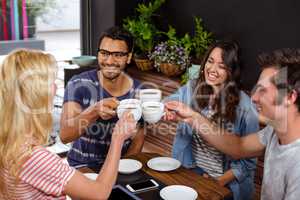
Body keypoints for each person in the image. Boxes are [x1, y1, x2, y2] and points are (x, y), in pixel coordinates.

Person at [0, 49, 137, 199]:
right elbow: (99, 194)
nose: (56, 87)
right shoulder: (35, 157)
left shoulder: (10, 140)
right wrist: (118, 138)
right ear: (37, 92)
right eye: (52, 82)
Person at [165, 48, 300, 200]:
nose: (254, 98)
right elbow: (239, 146)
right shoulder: (273, 132)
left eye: (262, 90)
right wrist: (192, 117)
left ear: (289, 96)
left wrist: (216, 183)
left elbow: (245, 163)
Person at [164, 40, 259, 200]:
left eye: (222, 66)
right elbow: (167, 102)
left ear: (232, 71)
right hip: (189, 169)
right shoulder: (192, 88)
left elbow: (248, 163)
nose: (212, 69)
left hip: (225, 182)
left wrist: (216, 183)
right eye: (210, 61)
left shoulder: (245, 108)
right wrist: (165, 108)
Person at [60, 26, 145, 169]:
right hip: (82, 166)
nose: (109, 61)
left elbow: (138, 140)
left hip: (120, 165)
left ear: (129, 57)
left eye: (118, 55)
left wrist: (122, 170)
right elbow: (65, 136)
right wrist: (94, 111)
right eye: (104, 53)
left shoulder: (139, 91)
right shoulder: (78, 84)